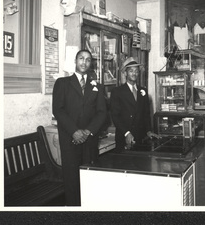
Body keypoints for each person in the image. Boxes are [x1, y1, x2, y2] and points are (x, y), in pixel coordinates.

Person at [52, 49, 107, 206]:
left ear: (91, 64)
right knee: (72, 180)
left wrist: (88, 131)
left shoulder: (97, 87)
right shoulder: (62, 83)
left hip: (89, 140)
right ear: (75, 62)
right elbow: (58, 110)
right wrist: (74, 131)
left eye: (88, 60)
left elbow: (101, 112)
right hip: (69, 139)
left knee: (89, 178)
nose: (84, 62)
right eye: (81, 58)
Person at [110, 57, 156, 152]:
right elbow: (115, 116)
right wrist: (127, 133)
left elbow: (146, 114)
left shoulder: (143, 91)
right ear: (125, 73)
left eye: (136, 71)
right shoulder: (117, 92)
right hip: (124, 137)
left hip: (141, 138)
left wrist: (148, 131)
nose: (134, 73)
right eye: (131, 71)